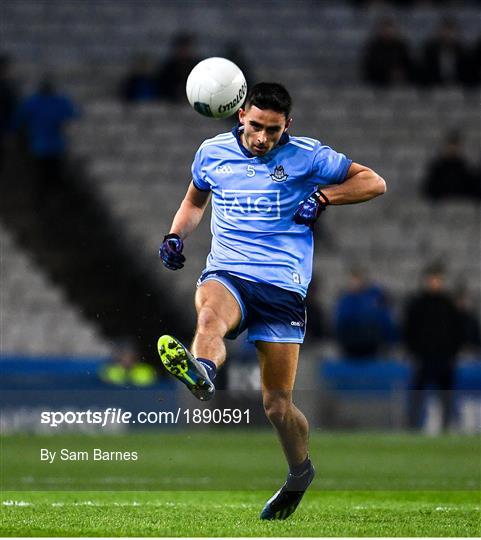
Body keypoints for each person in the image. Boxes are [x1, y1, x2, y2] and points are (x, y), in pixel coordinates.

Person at [157, 83, 386, 520]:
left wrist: (323, 197)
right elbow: (193, 201)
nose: (263, 138)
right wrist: (174, 235)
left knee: (276, 405)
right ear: (241, 114)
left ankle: (300, 473)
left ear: (288, 126)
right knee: (209, 316)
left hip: (283, 286)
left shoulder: (308, 156)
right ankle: (203, 371)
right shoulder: (211, 153)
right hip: (230, 270)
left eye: (273, 130)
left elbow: (374, 182)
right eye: (257, 126)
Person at [403, 263, 464, 431]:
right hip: (423, 358)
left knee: (446, 396)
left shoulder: (448, 305)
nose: (434, 282)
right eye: (431, 279)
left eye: (437, 279)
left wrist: (452, 353)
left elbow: (458, 331)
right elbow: (408, 330)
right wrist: (414, 351)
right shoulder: (417, 304)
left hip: (445, 358)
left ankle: (446, 427)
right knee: (417, 395)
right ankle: (413, 427)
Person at [13, 77, 80, 214]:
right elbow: (75, 115)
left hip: (41, 145)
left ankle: (43, 202)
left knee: (43, 175)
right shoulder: (59, 101)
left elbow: (18, 120)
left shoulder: (33, 102)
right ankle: (52, 202)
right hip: (54, 145)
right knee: (54, 175)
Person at [334, 266, 397, 360]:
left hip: (372, 344)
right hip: (350, 344)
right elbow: (340, 321)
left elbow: (384, 319)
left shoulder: (374, 298)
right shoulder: (345, 300)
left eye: (358, 279)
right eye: (354, 280)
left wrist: (390, 340)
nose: (355, 283)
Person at [421, 130, 480, 201]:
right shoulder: (438, 166)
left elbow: (471, 186)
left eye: (456, 145)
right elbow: (429, 189)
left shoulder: (462, 165)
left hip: (461, 202)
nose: (453, 148)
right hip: (442, 203)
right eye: (451, 145)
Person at [361, 17, 415, 87]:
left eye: (390, 29)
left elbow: (408, 62)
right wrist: (388, 72)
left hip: (400, 80)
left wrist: (400, 72)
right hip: (377, 80)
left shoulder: (401, 45)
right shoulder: (373, 46)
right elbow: (370, 65)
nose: (387, 32)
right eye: (385, 29)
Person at [419, 16, 469, 87]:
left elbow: (468, 75)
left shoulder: (462, 51)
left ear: (457, 33)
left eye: (451, 31)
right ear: (439, 32)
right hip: (434, 88)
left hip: (458, 88)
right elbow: (424, 73)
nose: (448, 35)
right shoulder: (430, 50)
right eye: (445, 31)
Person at [156, 33, 199, 102]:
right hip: (171, 105)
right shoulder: (168, 68)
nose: (184, 51)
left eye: (186, 48)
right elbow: (162, 90)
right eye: (181, 48)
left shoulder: (198, 68)